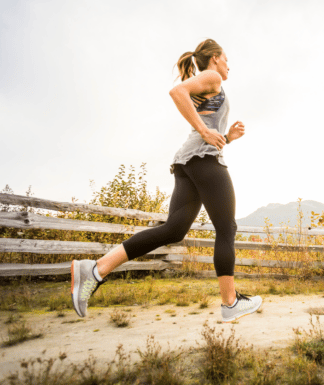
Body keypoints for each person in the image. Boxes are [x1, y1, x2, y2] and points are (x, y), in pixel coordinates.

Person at [71, 38, 262, 323]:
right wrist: (206, 132)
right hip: (202, 160)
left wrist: (226, 138)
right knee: (226, 228)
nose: (228, 65)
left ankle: (96, 269)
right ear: (215, 59)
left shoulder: (209, 83)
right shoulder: (211, 76)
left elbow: (206, 129)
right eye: (226, 59)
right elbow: (177, 92)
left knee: (173, 230)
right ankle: (230, 303)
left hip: (189, 161)